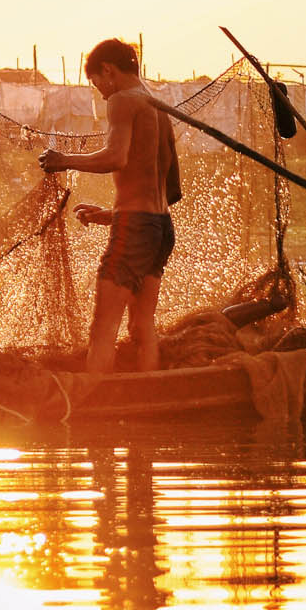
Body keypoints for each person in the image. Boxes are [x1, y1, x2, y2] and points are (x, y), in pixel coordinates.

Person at [39, 38, 182, 373]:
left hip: (136, 228)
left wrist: (63, 160)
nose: (99, 92)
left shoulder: (122, 100)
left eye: (96, 83)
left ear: (108, 70)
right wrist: (112, 215)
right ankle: (151, 399)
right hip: (160, 228)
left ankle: (90, 411)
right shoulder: (159, 107)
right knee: (142, 328)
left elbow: (116, 158)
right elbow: (170, 188)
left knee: (103, 329)